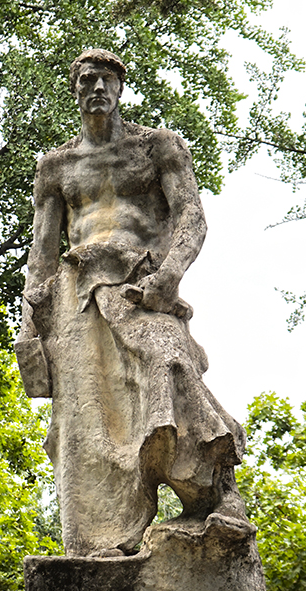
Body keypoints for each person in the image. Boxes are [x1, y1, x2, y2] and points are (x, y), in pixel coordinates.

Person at [16, 49, 249, 558]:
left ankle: (217, 496)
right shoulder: (56, 166)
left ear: (121, 87)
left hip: (141, 286)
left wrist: (170, 275)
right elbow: (41, 251)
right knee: (87, 418)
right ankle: (100, 543)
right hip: (75, 299)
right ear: (75, 90)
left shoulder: (157, 147)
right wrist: (30, 327)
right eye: (86, 80)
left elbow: (192, 216)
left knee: (171, 364)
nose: (96, 88)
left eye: (106, 79)